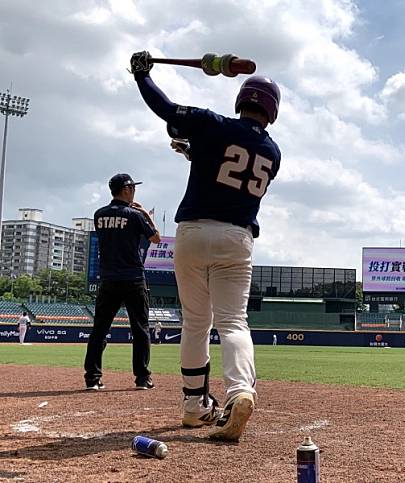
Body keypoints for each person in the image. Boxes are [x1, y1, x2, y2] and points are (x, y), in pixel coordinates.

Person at [131, 51, 281, 441]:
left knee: (196, 323)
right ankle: (240, 392)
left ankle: (195, 406)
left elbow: (165, 108)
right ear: (272, 112)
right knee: (233, 322)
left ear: (240, 100)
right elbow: (228, 168)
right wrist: (193, 153)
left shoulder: (213, 124)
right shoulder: (273, 153)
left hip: (194, 233)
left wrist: (141, 75)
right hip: (238, 238)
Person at [83, 173, 160, 391]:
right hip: (133, 278)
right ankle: (142, 378)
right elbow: (156, 238)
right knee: (140, 330)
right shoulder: (135, 215)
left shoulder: (99, 215)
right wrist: (144, 213)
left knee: (99, 329)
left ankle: (92, 378)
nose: (134, 191)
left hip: (108, 279)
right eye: (133, 188)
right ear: (126, 190)